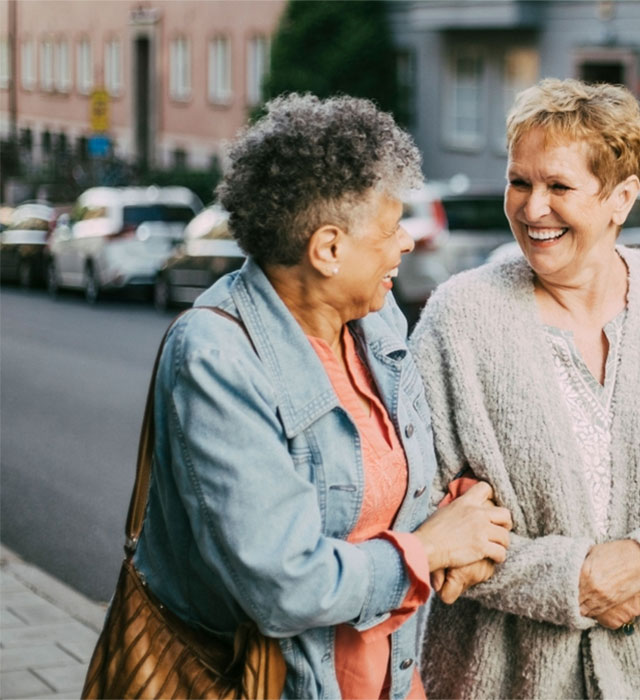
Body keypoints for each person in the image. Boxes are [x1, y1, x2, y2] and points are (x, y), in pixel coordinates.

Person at [411, 78, 640, 698]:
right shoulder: (459, 318)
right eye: (520, 182)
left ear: (621, 197)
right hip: (502, 680)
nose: (532, 209)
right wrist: (572, 580)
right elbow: (425, 514)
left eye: (558, 186)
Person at [131, 93, 512, 700]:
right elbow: (284, 586)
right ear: (329, 249)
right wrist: (430, 547)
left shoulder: (376, 316)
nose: (406, 243)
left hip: (393, 679)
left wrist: (462, 513)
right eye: (391, 229)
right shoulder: (216, 357)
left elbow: (398, 474)